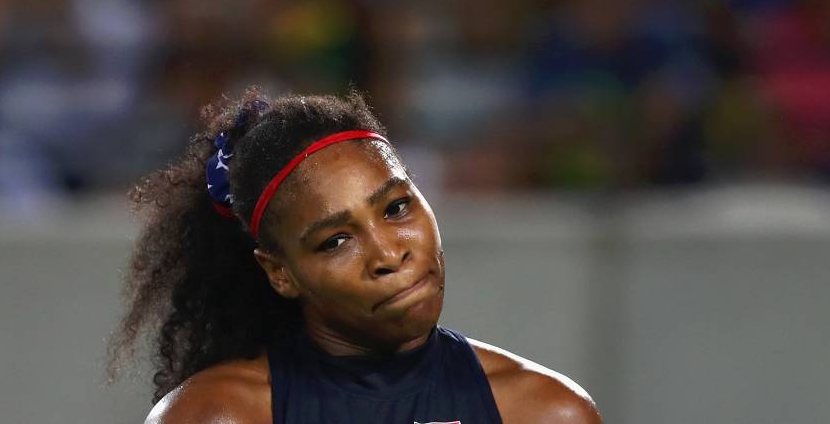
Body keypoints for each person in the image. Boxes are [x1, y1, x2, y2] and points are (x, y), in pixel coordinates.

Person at [109, 90, 602, 424]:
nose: (388, 254)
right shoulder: (216, 416)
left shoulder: (546, 412)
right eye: (335, 241)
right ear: (280, 273)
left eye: (397, 208)